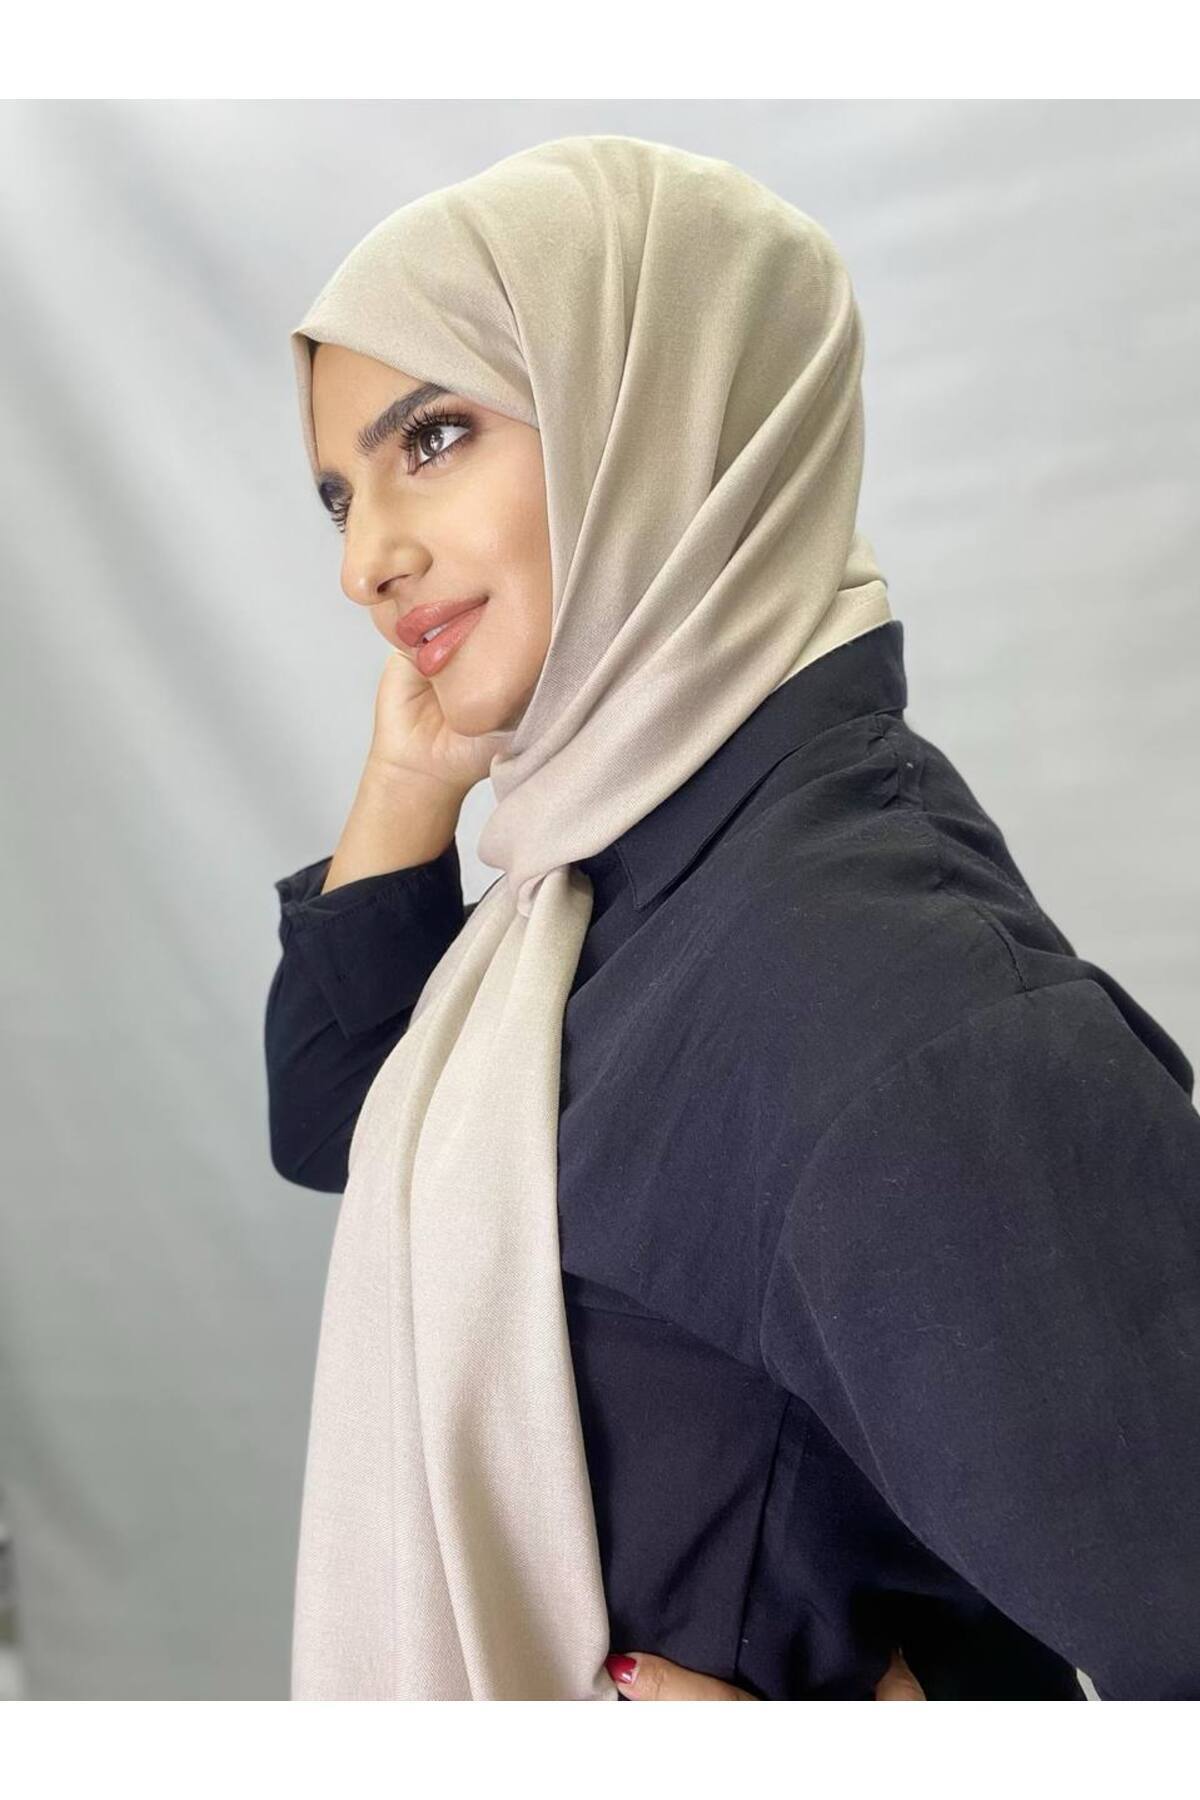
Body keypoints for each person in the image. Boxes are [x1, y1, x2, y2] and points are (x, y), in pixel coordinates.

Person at [265, 135, 1200, 1701]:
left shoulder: (890, 1005)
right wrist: (406, 792)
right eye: (339, 498)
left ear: (660, 415)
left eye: (432, 436)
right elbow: (349, 1128)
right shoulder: (593, 886)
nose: (368, 561)